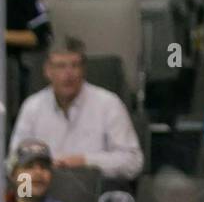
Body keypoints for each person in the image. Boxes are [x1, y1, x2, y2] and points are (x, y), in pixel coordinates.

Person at [8, 37, 144, 183]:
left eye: (75, 65)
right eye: (61, 66)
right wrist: (29, 191)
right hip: (44, 194)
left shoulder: (109, 104)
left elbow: (133, 161)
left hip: (92, 194)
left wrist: (85, 161)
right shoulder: (32, 106)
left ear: (83, 70)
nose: (69, 74)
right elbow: (13, 161)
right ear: (48, 71)